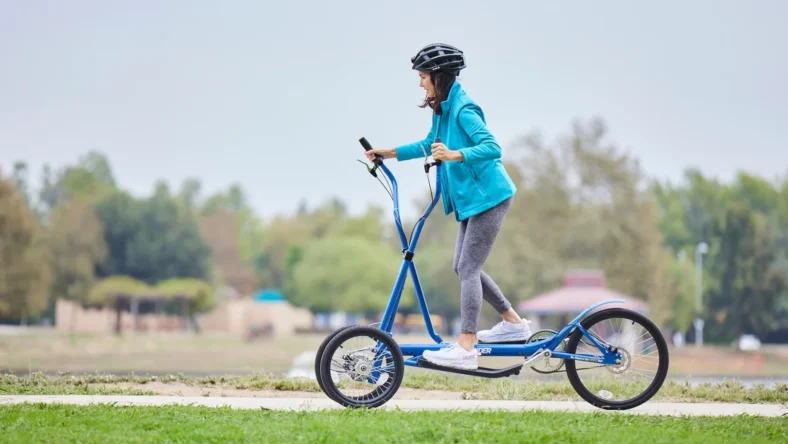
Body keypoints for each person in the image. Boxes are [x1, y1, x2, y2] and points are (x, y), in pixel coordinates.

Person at [364, 43, 532, 370]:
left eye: (424, 76)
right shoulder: (443, 109)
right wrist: (389, 152)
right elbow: (429, 144)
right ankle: (513, 323)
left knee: (468, 269)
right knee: (463, 267)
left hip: (490, 197)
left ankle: (466, 347)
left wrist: (456, 154)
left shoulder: (464, 109)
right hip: (472, 201)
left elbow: (492, 147)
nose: (420, 83)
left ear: (439, 77)